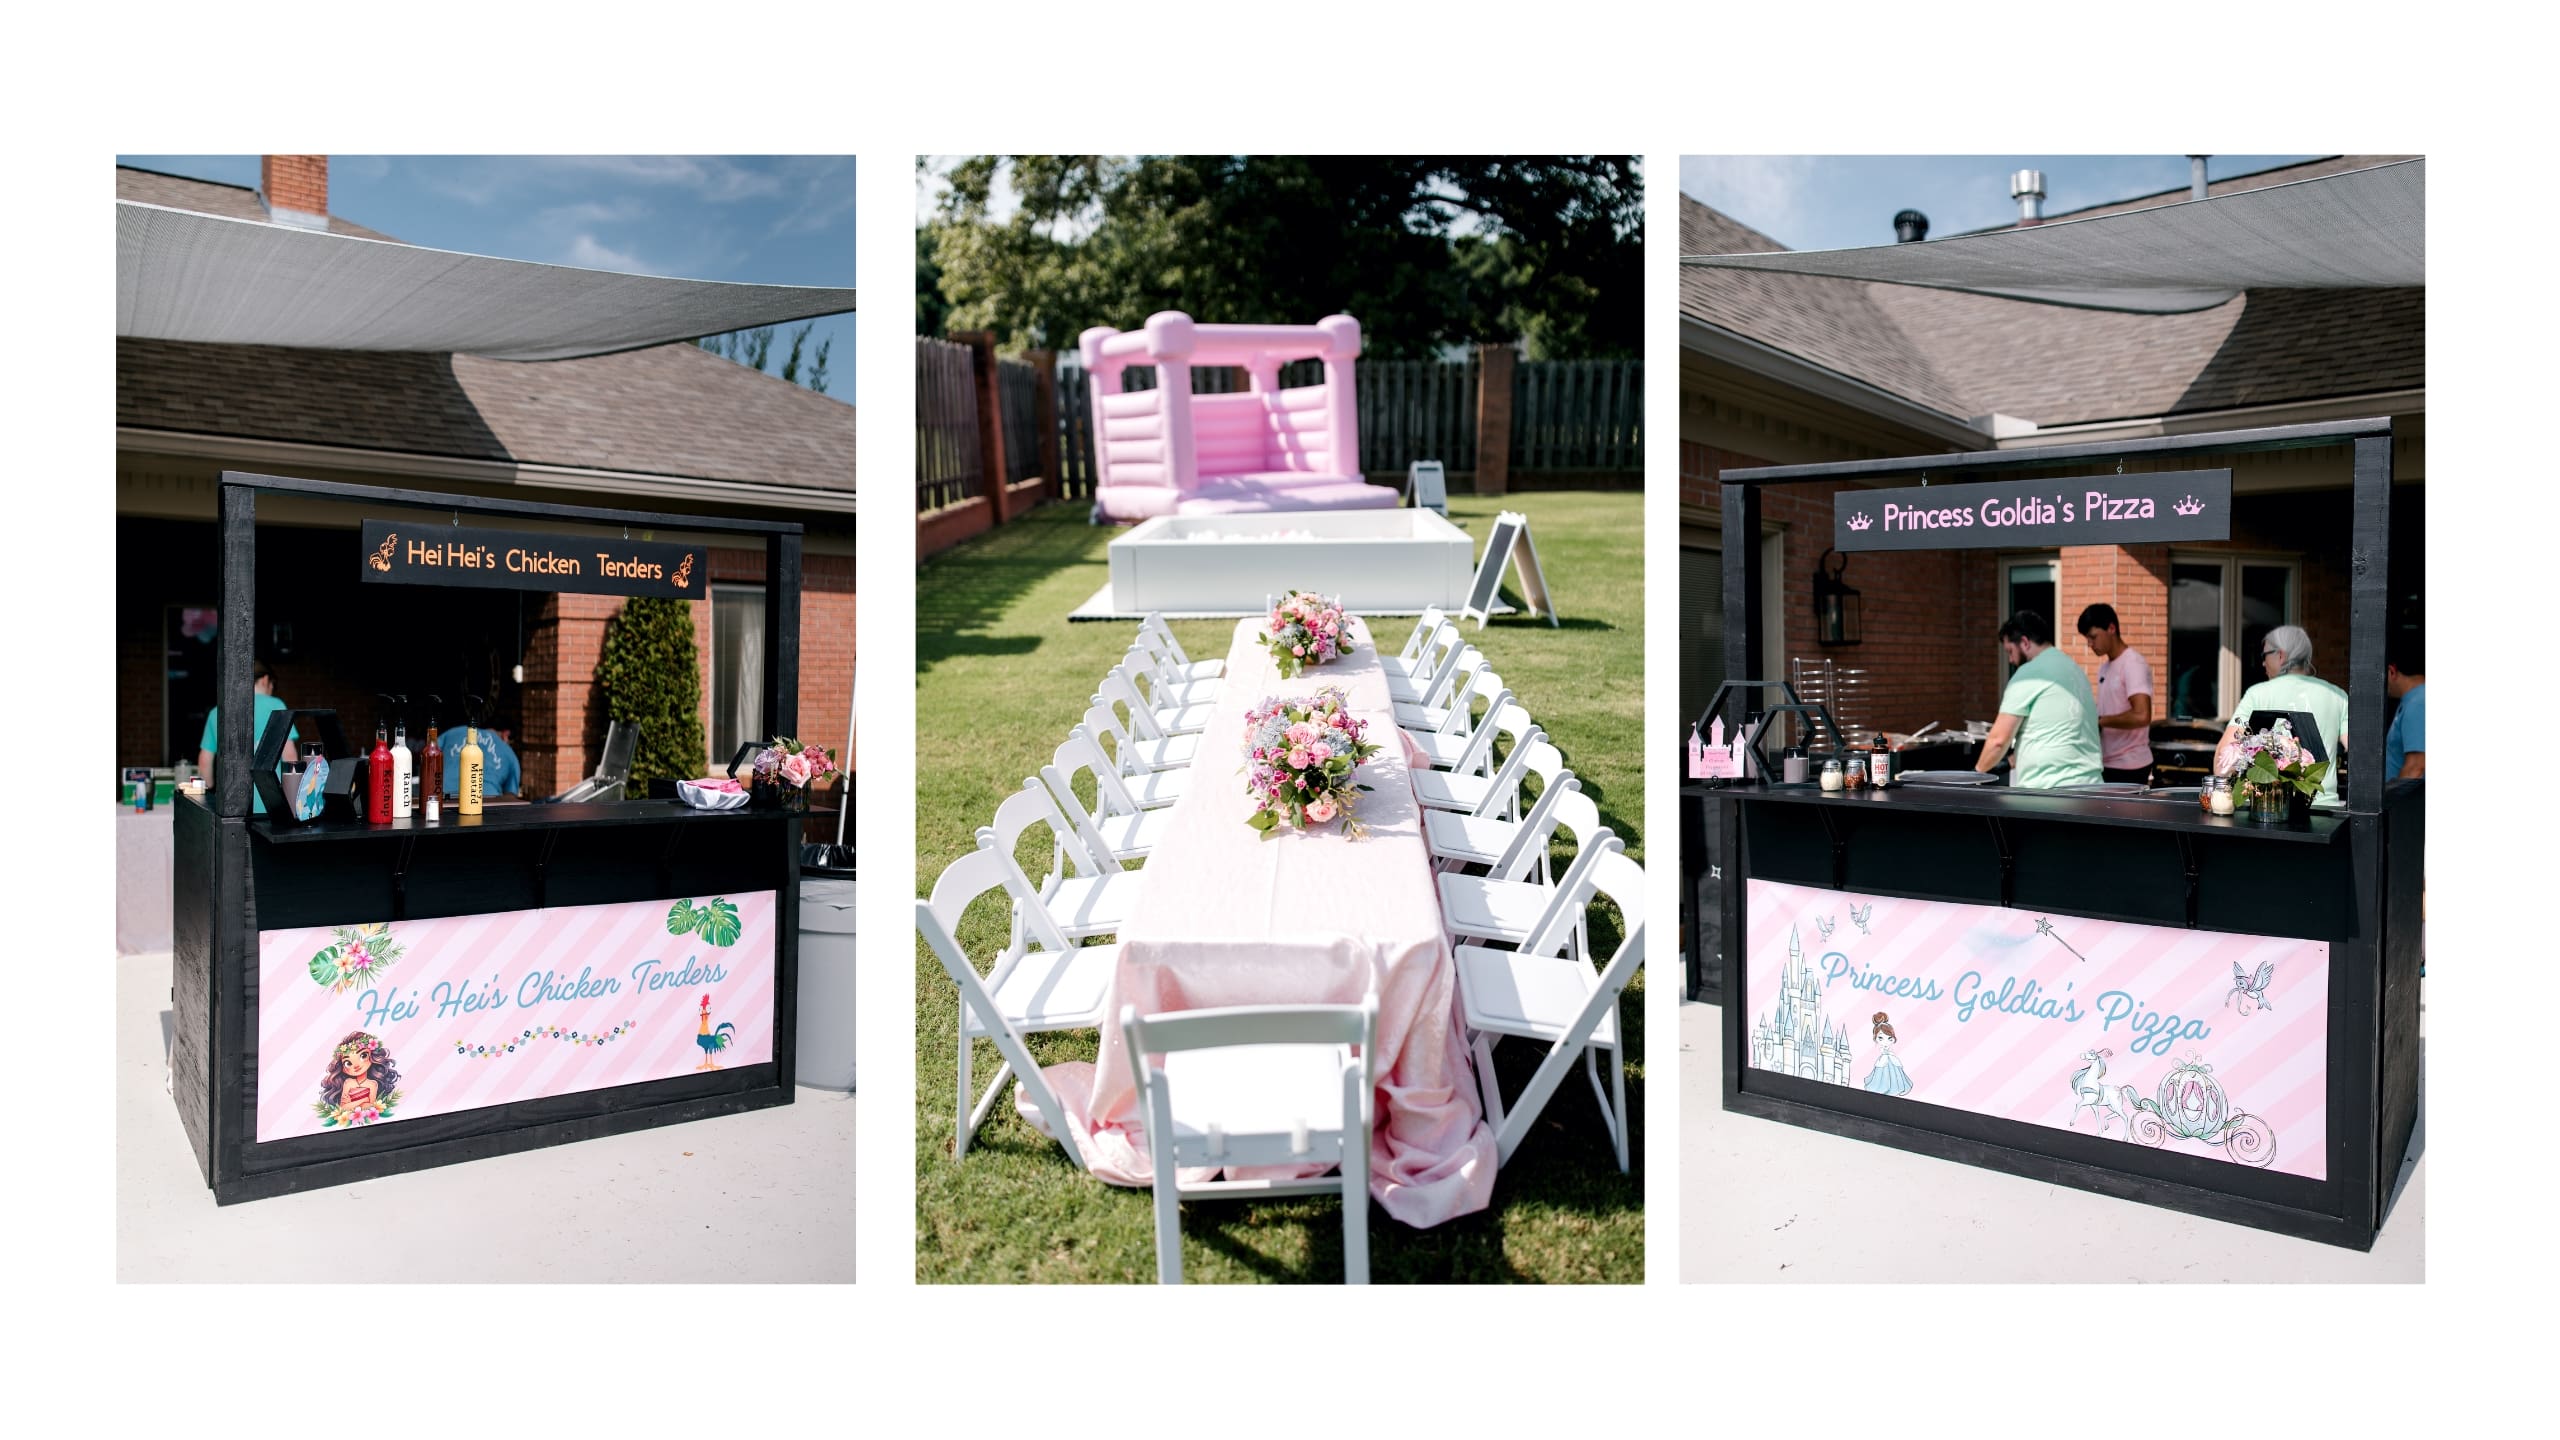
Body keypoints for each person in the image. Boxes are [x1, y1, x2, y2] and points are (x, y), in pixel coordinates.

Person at [2216, 624, 2352, 805]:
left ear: (2280, 655)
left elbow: (2221, 763)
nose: (2263, 663)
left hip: (2267, 808)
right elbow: (2362, 756)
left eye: (2264, 655)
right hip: (2323, 808)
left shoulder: (2257, 694)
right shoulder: (2338, 695)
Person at [1974, 611, 2103, 788]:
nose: (2011, 660)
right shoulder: (2074, 669)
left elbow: (1998, 741)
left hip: (2048, 793)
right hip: (2090, 786)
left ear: (2025, 642)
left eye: (2010, 651)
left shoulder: (2029, 674)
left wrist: (1976, 775)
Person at [195, 658, 298, 814]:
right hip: (270, 803)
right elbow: (289, 756)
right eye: (273, 686)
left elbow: (204, 762)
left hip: (229, 805)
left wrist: (211, 789)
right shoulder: (276, 705)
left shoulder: (217, 711)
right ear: (265, 680)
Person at [2077, 603, 2156, 785]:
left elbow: (2142, 715)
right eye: (2087, 639)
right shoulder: (2104, 668)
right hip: (2107, 763)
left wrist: (2100, 721)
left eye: (2093, 637)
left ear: (2111, 628)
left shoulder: (2133, 663)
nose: (2090, 644)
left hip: (2130, 765)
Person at [2384, 634, 2425, 781]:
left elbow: (2416, 767)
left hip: (2406, 803)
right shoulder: (2414, 699)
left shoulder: (2418, 703)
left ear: (2392, 671)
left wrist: (2393, 802)